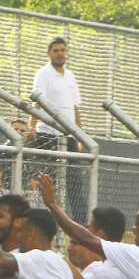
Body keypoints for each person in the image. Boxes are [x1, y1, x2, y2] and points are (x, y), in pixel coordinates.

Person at [31, 36, 86, 221]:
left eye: (63, 50)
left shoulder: (71, 76)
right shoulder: (43, 74)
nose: (60, 54)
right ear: (49, 53)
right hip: (48, 134)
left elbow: (75, 107)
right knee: (50, 180)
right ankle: (47, 221)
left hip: (68, 135)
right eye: (56, 50)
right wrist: (31, 127)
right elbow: (37, 101)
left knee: (74, 181)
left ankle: (81, 223)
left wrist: (79, 136)